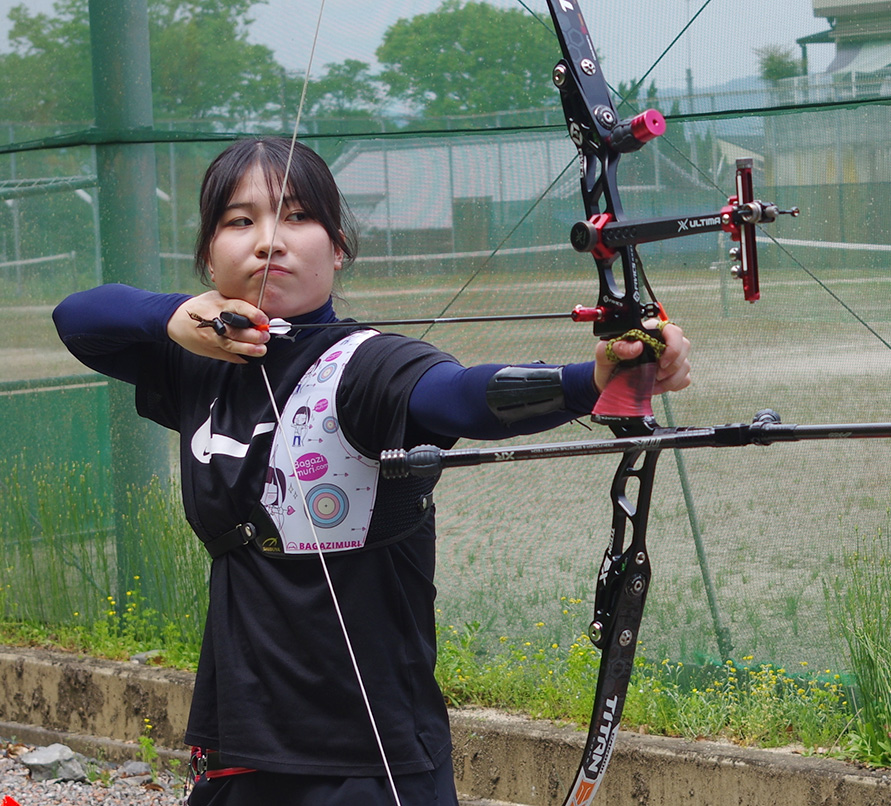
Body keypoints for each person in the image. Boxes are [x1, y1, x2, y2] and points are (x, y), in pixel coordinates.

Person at [52, 137, 691, 806]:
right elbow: (79, 318)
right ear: (210, 254)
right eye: (240, 221)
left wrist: (589, 379)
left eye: (297, 216)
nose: (269, 240)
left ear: (338, 249)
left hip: (365, 762)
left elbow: (460, 394)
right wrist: (174, 317)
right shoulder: (197, 362)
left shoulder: (366, 366)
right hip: (239, 740)